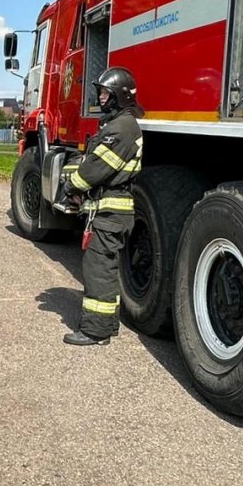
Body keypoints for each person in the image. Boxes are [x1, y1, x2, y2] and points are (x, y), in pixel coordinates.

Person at [61, 67, 144, 347]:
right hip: (108, 212)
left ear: (120, 96)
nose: (101, 97)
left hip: (110, 213)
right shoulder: (119, 124)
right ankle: (108, 325)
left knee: (98, 269)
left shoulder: (121, 128)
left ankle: (96, 331)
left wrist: (72, 185)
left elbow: (95, 169)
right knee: (105, 268)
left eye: (106, 93)